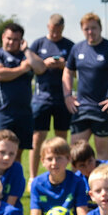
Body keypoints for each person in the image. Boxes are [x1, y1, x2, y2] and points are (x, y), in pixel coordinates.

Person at [62, 13, 108, 162]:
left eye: (93, 28)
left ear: (100, 28)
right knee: (75, 151)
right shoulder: (77, 49)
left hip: (104, 108)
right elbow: (67, 72)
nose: (90, 32)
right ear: (82, 30)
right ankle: (78, 185)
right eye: (86, 28)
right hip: (80, 107)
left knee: (101, 152)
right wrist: (67, 96)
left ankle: (103, 184)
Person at [0, 22, 46, 159]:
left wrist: (27, 50)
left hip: (24, 114)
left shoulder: (26, 56)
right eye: (9, 38)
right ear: (2, 37)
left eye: (16, 40)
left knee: (16, 154)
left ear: (21, 41)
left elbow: (41, 68)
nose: (11, 42)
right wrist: (22, 69)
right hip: (2, 114)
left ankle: (14, 180)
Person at [29, 14, 75, 180]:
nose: (55, 34)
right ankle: (33, 177)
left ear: (63, 28)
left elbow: (76, 71)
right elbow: (30, 65)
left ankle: (61, 175)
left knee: (61, 140)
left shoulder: (69, 45)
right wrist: (44, 64)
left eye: (59, 31)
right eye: (53, 30)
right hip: (42, 99)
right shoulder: (38, 44)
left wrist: (64, 65)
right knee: (37, 139)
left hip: (62, 99)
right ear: (48, 26)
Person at [30, 137, 88, 215]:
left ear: (68, 159)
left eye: (59, 158)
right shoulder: (37, 183)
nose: (54, 163)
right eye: (49, 159)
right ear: (42, 161)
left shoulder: (77, 182)